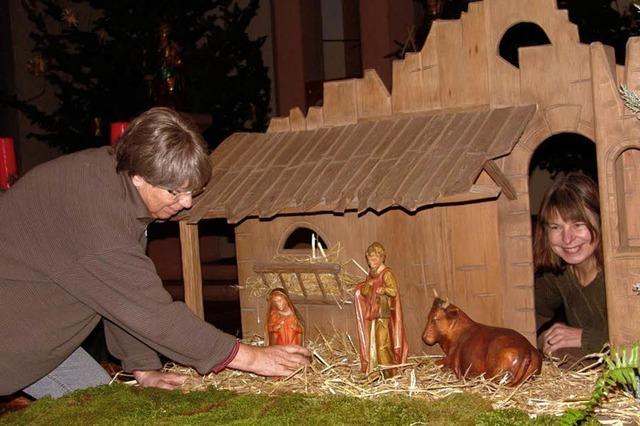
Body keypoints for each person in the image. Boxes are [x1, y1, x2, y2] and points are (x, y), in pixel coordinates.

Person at [0, 107, 310, 399]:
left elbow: (118, 299)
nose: (186, 203)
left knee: (107, 407)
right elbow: (151, 312)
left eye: (192, 190)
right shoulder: (98, 220)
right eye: (174, 191)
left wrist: (143, 367)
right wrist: (252, 358)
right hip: (13, 339)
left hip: (40, 337)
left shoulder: (115, 178)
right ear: (139, 176)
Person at [533, 172, 608, 358]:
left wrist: (586, 338)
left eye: (578, 224)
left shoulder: (626, 274)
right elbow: (525, 314)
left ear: (601, 222)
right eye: (556, 227)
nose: (567, 239)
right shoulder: (558, 275)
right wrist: (544, 338)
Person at [354, 242, 408, 378]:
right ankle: (375, 372)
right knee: (373, 342)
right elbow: (365, 293)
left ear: (381, 258)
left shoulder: (386, 273)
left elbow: (393, 291)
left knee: (382, 343)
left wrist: (383, 289)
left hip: (383, 313)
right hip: (373, 312)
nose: (370, 263)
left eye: (373, 259)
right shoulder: (372, 274)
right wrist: (368, 284)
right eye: (369, 259)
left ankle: (389, 373)